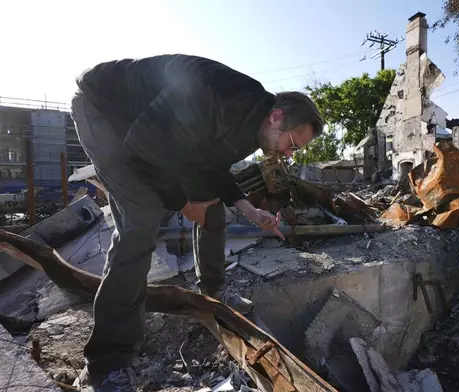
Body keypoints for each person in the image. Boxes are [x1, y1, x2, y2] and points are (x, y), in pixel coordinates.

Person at [69, 54, 323, 391]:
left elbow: (210, 168)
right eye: (291, 144)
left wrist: (249, 211)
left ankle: (214, 289)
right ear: (277, 117)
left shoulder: (253, 125)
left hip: (155, 136)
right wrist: (184, 204)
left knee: (212, 205)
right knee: (142, 218)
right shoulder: (218, 100)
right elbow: (145, 147)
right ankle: (106, 365)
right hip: (105, 112)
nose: (288, 155)